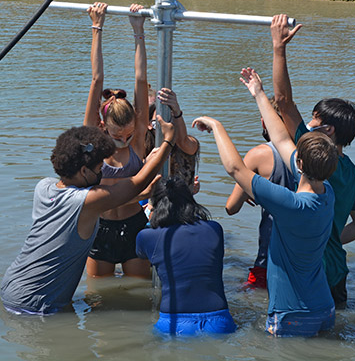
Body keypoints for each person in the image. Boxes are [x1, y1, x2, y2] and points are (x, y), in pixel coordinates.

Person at [193, 68, 339, 337]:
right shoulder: (327, 192)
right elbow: (281, 139)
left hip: (292, 314)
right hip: (324, 308)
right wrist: (258, 93)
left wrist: (216, 126)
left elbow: (236, 169)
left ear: (299, 163)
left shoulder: (291, 204)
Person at [0, 121, 175, 315]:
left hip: (11, 287)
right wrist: (168, 141)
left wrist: (141, 196)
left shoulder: (44, 187)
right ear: (83, 171)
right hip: (37, 304)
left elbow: (101, 201)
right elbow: (135, 183)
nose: (101, 173)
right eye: (99, 169)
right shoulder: (83, 201)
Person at [270, 14, 355, 308]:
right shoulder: (352, 173)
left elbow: (283, 101)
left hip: (312, 270)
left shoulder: (314, 154)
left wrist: (279, 48)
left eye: (315, 118)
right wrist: (329, 236)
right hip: (337, 270)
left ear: (328, 130)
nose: (308, 123)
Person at [84, 2, 151, 278]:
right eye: (117, 136)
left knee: (140, 300)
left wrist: (138, 29)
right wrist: (97, 27)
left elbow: (140, 80)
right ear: (102, 127)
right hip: (99, 229)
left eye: (128, 135)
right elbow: (96, 80)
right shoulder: (93, 143)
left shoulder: (137, 141)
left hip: (134, 226)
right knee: (97, 302)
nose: (124, 140)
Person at [136, 176, 236, 336]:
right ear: (190, 201)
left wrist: (149, 221)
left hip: (174, 323)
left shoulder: (147, 236)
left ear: (154, 206)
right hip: (220, 321)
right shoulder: (215, 229)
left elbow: (141, 254)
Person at [226, 97, 294, 289]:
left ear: (264, 121)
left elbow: (231, 207)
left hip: (271, 257)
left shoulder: (259, 154)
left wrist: (254, 189)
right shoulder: (309, 150)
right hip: (307, 256)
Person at [145, 88, 200, 195]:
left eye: (171, 121)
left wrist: (177, 112)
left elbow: (183, 141)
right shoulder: (143, 144)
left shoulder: (189, 143)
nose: (166, 127)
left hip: (182, 205)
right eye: (158, 123)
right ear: (149, 125)